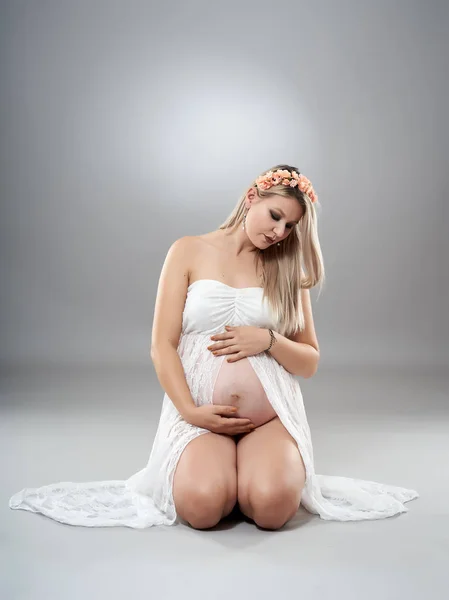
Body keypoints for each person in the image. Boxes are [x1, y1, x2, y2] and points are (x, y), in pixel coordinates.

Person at [9, 164, 419, 529]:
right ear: (251, 197)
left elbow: (309, 362)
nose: (279, 232)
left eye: (290, 226)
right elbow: (161, 344)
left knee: (274, 509)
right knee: (201, 508)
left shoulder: (288, 268)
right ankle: (226, 474)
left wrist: (270, 339)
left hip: (269, 418)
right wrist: (190, 411)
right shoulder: (188, 250)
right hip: (199, 415)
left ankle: (253, 473)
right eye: (276, 216)